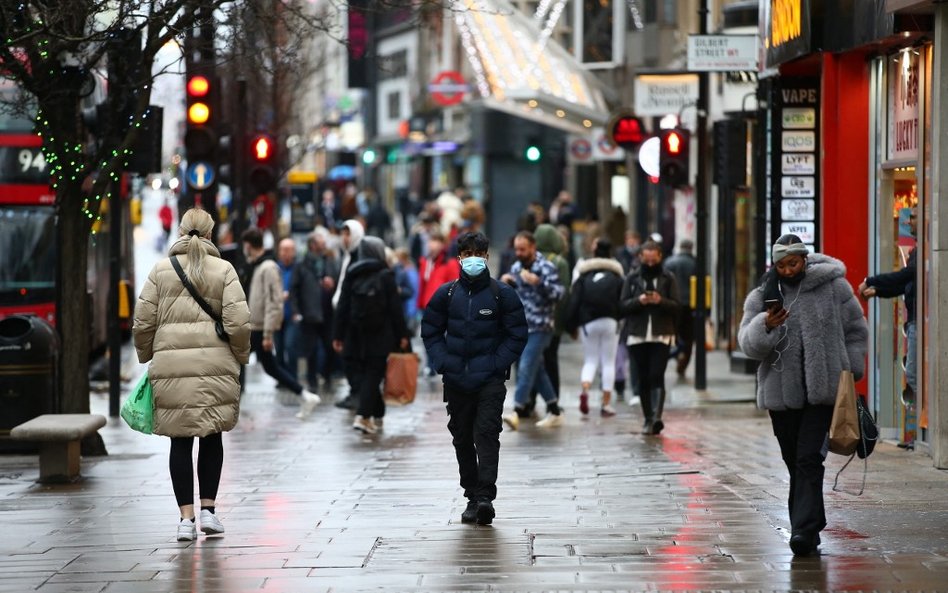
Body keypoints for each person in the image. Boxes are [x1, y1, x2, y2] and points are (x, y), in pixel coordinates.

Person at [738, 234, 867, 557]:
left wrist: (849, 369)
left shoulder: (834, 287)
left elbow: (856, 330)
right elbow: (747, 345)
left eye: (793, 262)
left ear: (805, 259)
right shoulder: (762, 296)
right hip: (782, 394)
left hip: (824, 390)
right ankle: (811, 522)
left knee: (810, 458)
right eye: (781, 265)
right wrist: (765, 326)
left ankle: (803, 531)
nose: (788, 269)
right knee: (794, 461)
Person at [133, 208, 252, 541]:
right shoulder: (224, 270)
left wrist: (147, 356)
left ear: (180, 233)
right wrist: (240, 357)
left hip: (171, 366)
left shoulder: (160, 271)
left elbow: (143, 323)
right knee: (212, 435)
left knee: (180, 440)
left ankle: (185, 519)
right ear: (211, 235)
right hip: (216, 364)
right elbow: (239, 323)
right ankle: (209, 511)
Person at [421, 231, 528, 525]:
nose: (472, 260)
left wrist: (496, 363)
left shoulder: (501, 295)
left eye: (477, 254)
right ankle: (471, 493)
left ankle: (484, 498)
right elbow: (430, 330)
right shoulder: (447, 294)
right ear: (459, 258)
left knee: (487, 434)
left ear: (487, 257)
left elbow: (517, 334)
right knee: (462, 437)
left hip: (490, 380)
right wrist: (444, 362)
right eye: (466, 254)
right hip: (456, 380)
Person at [333, 237, 411, 434]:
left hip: (355, 334)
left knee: (367, 374)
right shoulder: (386, 275)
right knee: (373, 374)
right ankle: (364, 416)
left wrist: (338, 335)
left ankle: (377, 413)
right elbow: (395, 309)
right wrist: (403, 334)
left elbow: (342, 306)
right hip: (380, 334)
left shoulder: (352, 274)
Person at [241, 228, 321, 419]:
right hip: (258, 326)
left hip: (261, 328)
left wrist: (268, 334)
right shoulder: (259, 266)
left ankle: (305, 396)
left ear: (249, 246)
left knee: (239, 359)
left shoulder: (268, 268)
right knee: (269, 366)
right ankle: (305, 395)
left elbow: (274, 302)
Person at [501, 231, 566, 429]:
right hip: (520, 325)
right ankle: (554, 409)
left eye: (523, 249)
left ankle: (517, 410)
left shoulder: (546, 267)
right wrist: (506, 283)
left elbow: (559, 293)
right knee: (537, 370)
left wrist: (538, 283)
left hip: (541, 325)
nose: (519, 253)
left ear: (533, 248)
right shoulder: (516, 267)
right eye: (517, 249)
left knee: (526, 365)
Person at [619, 240, 679, 435]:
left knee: (657, 374)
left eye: (654, 260)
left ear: (660, 257)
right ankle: (647, 419)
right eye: (647, 260)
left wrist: (660, 301)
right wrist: (640, 301)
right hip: (638, 334)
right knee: (643, 378)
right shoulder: (632, 278)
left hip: (662, 333)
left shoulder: (668, 278)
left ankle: (657, 417)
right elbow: (622, 306)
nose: (651, 264)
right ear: (640, 258)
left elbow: (678, 307)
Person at [858, 207, 917, 405]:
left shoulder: (923, 251)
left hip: (919, 322)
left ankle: (926, 424)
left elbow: (905, 276)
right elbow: (906, 283)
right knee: (913, 375)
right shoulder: (919, 250)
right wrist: (878, 291)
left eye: (913, 218)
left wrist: (871, 280)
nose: (908, 222)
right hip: (915, 322)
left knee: (914, 375)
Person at [566, 239, 624, 417]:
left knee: (590, 360)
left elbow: (574, 301)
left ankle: (585, 390)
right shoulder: (617, 276)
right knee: (608, 362)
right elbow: (623, 301)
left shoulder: (583, 276)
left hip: (588, 322)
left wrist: (572, 326)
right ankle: (606, 404)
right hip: (610, 321)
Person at [524, 223, 571, 415]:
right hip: (554, 321)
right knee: (551, 360)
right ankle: (553, 401)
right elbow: (565, 293)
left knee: (532, 360)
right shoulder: (559, 262)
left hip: (531, 319)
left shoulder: (531, 259)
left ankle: (529, 399)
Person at [289, 229, 339, 392]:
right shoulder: (302, 265)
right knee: (310, 349)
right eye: (320, 242)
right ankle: (312, 381)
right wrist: (296, 310)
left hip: (328, 312)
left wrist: (332, 284)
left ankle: (327, 375)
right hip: (309, 313)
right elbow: (294, 290)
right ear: (312, 245)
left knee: (330, 346)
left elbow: (338, 281)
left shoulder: (329, 261)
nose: (324, 244)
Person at [663, 238, 697, 379]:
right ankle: (682, 363)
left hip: (672, 303)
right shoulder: (695, 263)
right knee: (688, 336)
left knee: (672, 333)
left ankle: (676, 355)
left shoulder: (669, 262)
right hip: (690, 304)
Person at [417, 230, 460, 313]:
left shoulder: (450, 264)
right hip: (426, 307)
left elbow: (455, 289)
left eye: (436, 240)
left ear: (443, 244)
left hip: (443, 309)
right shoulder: (425, 262)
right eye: (431, 240)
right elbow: (422, 285)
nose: (432, 244)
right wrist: (419, 306)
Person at [273, 238, 298, 373]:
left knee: (290, 345)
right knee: (279, 348)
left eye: (288, 250)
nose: (284, 253)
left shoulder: (298, 268)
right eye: (282, 250)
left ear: (293, 252)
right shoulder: (275, 268)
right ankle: (282, 376)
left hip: (292, 314)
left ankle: (292, 375)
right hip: (277, 315)